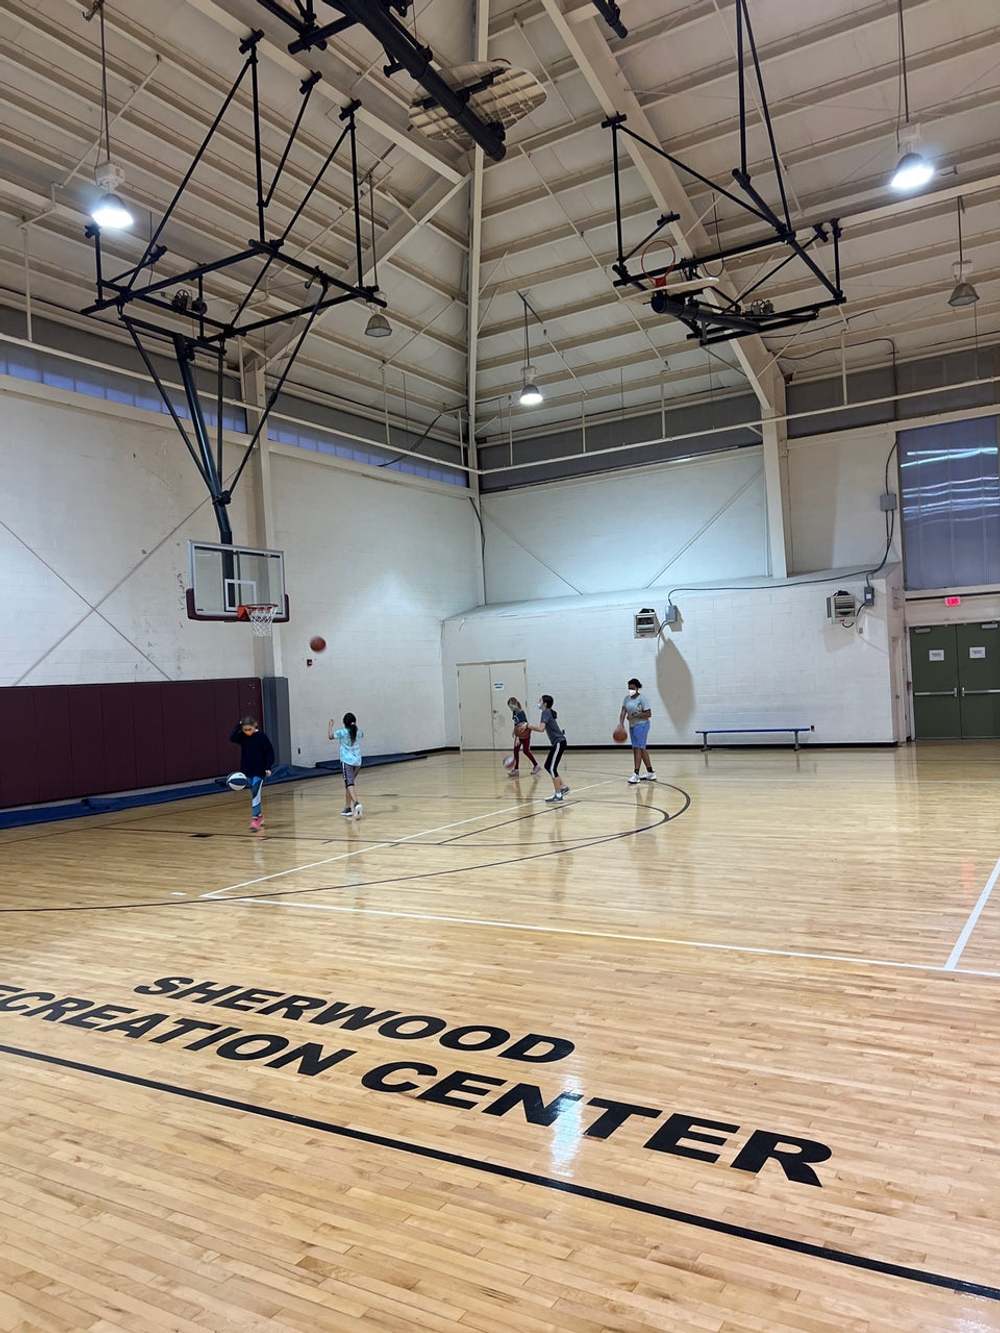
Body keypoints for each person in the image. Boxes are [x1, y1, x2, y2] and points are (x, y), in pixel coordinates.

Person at [229, 716, 274, 831]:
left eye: (250, 729)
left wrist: (268, 767)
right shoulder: (242, 737)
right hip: (247, 770)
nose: (247, 732)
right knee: (254, 793)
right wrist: (238, 726)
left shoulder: (262, 737)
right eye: (245, 730)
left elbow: (269, 753)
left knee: (255, 791)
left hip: (260, 770)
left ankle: (255, 819)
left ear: (255, 726)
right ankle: (260, 816)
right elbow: (232, 738)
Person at [529, 694, 569, 803]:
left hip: (559, 742)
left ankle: (558, 794)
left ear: (545, 703)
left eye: (540, 700)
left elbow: (541, 728)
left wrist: (529, 726)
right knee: (548, 766)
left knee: (552, 768)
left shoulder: (545, 712)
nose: (538, 701)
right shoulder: (547, 712)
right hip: (558, 743)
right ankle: (563, 787)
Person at [619, 677, 655, 784]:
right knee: (641, 749)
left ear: (637, 688)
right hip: (632, 726)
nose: (630, 690)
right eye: (629, 688)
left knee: (637, 749)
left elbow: (649, 714)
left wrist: (638, 714)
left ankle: (636, 774)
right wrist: (620, 724)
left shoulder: (642, 699)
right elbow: (623, 712)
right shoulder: (626, 699)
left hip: (642, 725)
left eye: (632, 688)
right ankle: (650, 772)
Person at [329, 712, 363, 818]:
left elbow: (330, 736)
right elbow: (360, 735)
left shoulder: (342, 732)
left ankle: (356, 803)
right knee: (349, 784)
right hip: (357, 762)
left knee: (349, 784)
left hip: (347, 761)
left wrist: (330, 725)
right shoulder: (359, 732)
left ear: (344, 723)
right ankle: (347, 808)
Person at [507, 697, 541, 776]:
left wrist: (518, 737)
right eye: (509, 707)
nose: (511, 709)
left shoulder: (520, 712)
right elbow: (516, 724)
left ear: (515, 704)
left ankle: (536, 766)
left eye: (511, 707)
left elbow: (523, 725)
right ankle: (516, 769)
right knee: (516, 751)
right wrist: (514, 730)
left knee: (525, 751)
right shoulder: (514, 712)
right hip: (520, 734)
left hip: (525, 734)